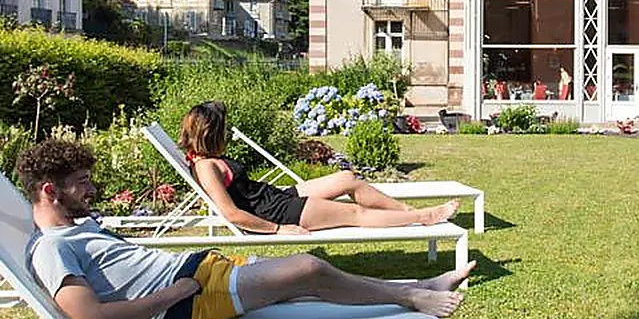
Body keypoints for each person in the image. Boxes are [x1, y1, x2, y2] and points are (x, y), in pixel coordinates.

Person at [19, 139, 472, 319]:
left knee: (303, 287)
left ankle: (418, 286)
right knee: (308, 268)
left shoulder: (75, 228)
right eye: (82, 183)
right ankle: (414, 298)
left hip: (199, 275)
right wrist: (178, 291)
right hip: (188, 297)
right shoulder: (53, 250)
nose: (92, 190)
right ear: (50, 191)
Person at [181, 101, 458, 234]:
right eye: (223, 129)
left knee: (348, 178)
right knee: (355, 213)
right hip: (276, 212)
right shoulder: (206, 168)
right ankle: (423, 217)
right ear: (212, 134)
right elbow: (232, 214)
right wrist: (277, 229)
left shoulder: (201, 158)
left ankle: (405, 211)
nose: (226, 134)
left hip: (275, 198)